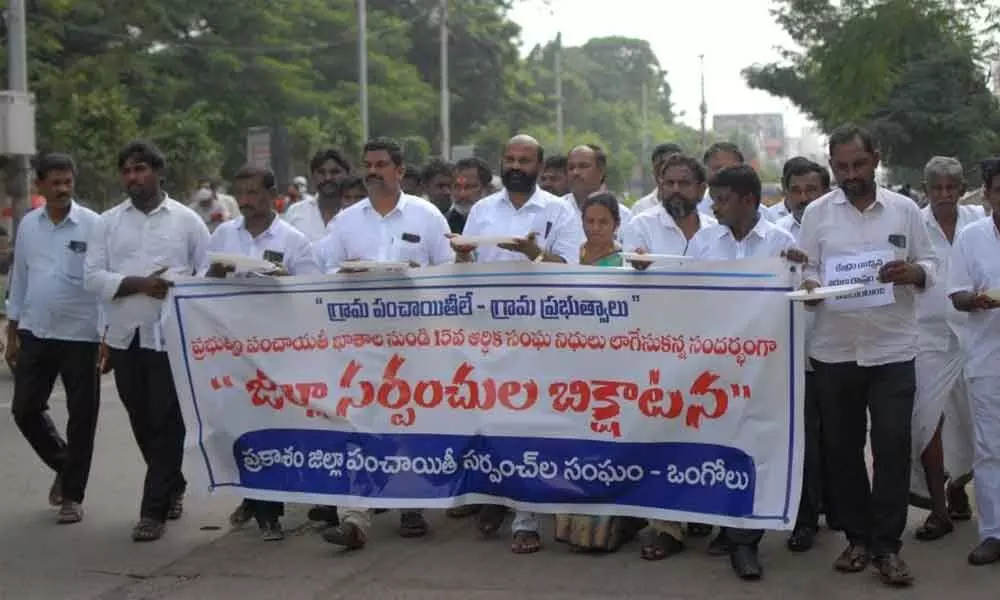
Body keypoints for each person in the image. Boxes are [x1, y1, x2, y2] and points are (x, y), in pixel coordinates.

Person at [797, 125, 937, 587]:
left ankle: (888, 546)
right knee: (842, 448)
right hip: (835, 349)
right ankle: (857, 539)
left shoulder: (905, 210)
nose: (851, 174)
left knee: (893, 445)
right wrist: (812, 289)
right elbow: (808, 270)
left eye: (859, 164)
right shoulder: (817, 214)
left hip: (893, 347)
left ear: (876, 159)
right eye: (842, 167)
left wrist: (914, 271)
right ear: (832, 165)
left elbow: (931, 263)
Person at [317, 137, 453, 551]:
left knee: (409, 422)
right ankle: (354, 518)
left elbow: (450, 276)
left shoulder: (428, 216)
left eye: (381, 164)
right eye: (368, 165)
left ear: (400, 170)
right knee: (359, 422)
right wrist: (349, 277)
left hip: (414, 341)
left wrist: (418, 277)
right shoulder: (346, 221)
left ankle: (410, 505)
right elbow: (324, 273)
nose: (373, 171)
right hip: (361, 341)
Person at [451, 134, 584, 554]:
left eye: (524, 159)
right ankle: (498, 496)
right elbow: (465, 266)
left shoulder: (560, 211)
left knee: (530, 420)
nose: (516, 165)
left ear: (539, 166)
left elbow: (572, 268)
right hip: (488, 330)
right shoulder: (483, 210)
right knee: (491, 417)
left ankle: (525, 515)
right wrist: (461, 254)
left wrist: (534, 253)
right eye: (509, 158)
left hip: (540, 332)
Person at [84, 140, 210, 542]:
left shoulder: (187, 221)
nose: (133, 177)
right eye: (127, 171)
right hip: (125, 338)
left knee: (167, 422)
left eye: (140, 169)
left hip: (171, 338)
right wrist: (141, 284)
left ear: (158, 172)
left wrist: (176, 289)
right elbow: (92, 278)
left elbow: (206, 276)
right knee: (141, 419)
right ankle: (172, 484)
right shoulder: (106, 223)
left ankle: (151, 511)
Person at [687, 165, 798, 580]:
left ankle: (745, 541)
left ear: (749, 200)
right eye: (714, 199)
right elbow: (683, 293)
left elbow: (804, 292)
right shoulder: (703, 241)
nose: (715, 207)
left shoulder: (781, 242)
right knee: (718, 442)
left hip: (764, 365)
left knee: (755, 444)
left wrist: (802, 272)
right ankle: (728, 527)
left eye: (722, 199)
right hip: (714, 363)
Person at [203, 164, 321, 541]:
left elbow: (312, 293)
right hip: (231, 347)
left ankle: (268, 511)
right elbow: (198, 287)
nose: (247, 201)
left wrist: (284, 280)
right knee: (238, 427)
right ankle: (254, 497)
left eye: (254, 193)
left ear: (273, 195)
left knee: (271, 428)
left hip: (277, 350)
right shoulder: (222, 235)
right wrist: (216, 274)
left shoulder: (294, 240)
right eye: (242, 193)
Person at [620, 153, 717, 559]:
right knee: (662, 429)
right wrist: (637, 269)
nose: (675, 190)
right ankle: (665, 526)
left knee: (703, 429)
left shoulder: (715, 231)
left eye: (684, 183)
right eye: (668, 183)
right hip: (656, 345)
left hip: (710, 345)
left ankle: (700, 508)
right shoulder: (641, 226)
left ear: (701, 189)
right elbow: (623, 279)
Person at [6, 152, 102, 525]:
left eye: (68, 182)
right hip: (36, 331)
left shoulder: (93, 225)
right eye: (55, 183)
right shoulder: (29, 225)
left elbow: (102, 281)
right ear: (40, 185)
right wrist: (12, 331)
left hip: (82, 336)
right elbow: (21, 278)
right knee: (25, 410)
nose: (63, 189)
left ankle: (73, 496)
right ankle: (65, 465)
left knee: (82, 418)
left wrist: (107, 335)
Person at [909, 156, 982, 542]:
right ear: (926, 189)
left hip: (976, 334)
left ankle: (958, 489)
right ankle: (938, 509)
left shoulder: (977, 223)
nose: (944, 195)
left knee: (972, 423)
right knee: (927, 422)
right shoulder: (913, 224)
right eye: (936, 188)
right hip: (928, 338)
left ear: (961, 187)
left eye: (951, 188)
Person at [773, 157, 836, 550]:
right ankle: (804, 518)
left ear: (825, 191)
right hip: (790, 353)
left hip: (836, 346)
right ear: (785, 194)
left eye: (811, 190)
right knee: (804, 439)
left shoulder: (841, 230)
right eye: (795, 191)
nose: (803, 198)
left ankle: (838, 508)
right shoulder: (776, 236)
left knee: (839, 437)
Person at [947, 157, 1000, 566]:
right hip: (989, 360)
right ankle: (994, 533)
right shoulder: (972, 238)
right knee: (990, 450)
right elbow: (958, 295)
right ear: (988, 194)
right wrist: (978, 299)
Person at [284, 149, 352, 242]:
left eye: (335, 172)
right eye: (321, 172)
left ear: (347, 175)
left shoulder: (358, 214)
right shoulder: (295, 212)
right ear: (312, 176)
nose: (328, 178)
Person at [630, 143, 683, 215]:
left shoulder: (698, 205)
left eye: (672, 165)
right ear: (653, 171)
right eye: (660, 166)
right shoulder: (640, 209)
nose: (665, 172)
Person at [579, 193, 624, 267]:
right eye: (590, 221)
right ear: (582, 222)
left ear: (616, 224)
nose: (595, 228)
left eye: (603, 222)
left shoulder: (624, 259)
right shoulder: (572, 254)